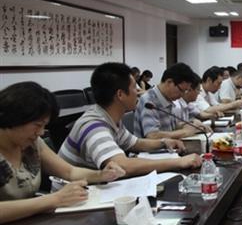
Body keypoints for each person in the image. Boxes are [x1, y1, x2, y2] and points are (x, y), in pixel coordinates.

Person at [0, 82, 125, 224]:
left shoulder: (33, 143)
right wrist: (54, 199)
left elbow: (69, 172)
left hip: (27, 222)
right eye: (37, 125)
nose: (41, 132)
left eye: (44, 126)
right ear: (14, 117)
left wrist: (101, 175)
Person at [59, 63, 202, 177]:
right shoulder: (94, 126)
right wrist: (178, 162)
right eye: (134, 88)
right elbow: (122, 166)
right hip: (73, 198)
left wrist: (164, 142)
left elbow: (135, 143)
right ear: (120, 94)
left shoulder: (110, 118)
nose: (138, 93)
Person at [134, 62, 201, 139]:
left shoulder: (168, 98)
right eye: (181, 90)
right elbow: (152, 135)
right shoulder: (149, 101)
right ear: (169, 82)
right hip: (153, 146)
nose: (182, 95)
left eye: (185, 91)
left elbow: (171, 128)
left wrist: (191, 125)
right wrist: (185, 132)